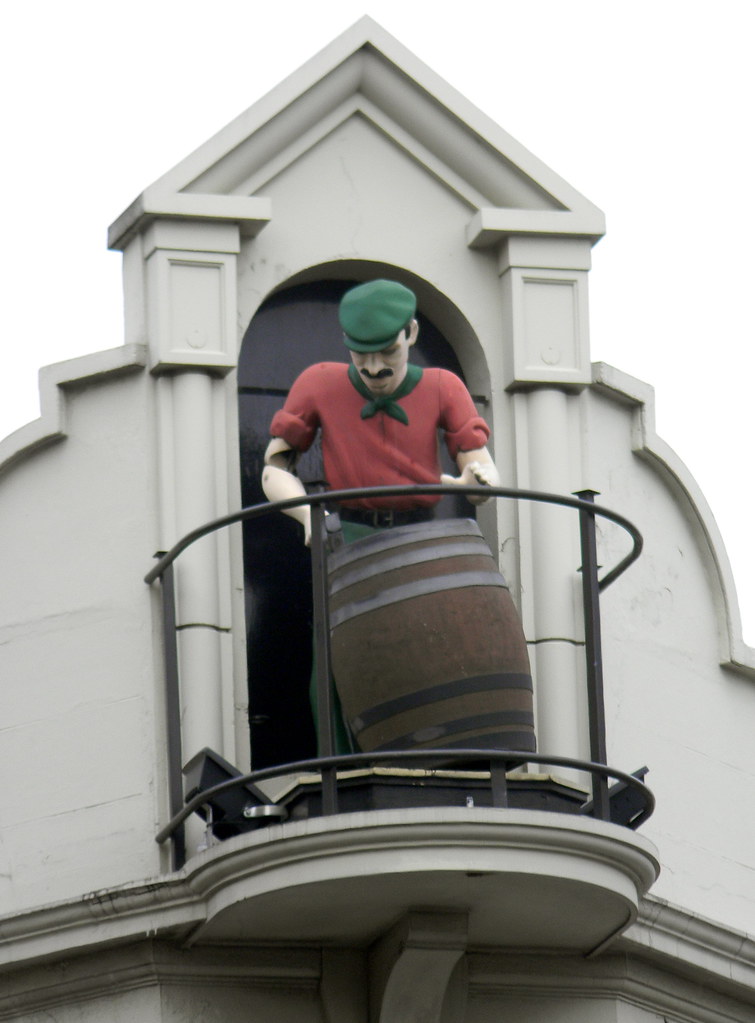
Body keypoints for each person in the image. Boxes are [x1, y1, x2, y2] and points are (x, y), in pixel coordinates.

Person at [261, 279, 500, 543]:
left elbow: (482, 473)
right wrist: (309, 515)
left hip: (421, 538)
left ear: (411, 333)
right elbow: (274, 469)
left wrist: (479, 483)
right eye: (360, 353)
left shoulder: (444, 387)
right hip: (349, 538)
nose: (374, 368)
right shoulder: (318, 383)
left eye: (389, 351)